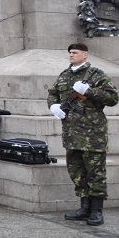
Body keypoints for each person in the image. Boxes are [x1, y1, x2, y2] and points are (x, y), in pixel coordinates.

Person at [47, 43, 118, 226]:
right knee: (77, 172)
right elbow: (52, 93)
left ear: (85, 55)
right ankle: (84, 208)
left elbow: (112, 98)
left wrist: (89, 91)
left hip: (92, 134)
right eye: (70, 52)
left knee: (95, 173)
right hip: (71, 133)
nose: (71, 55)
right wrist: (53, 106)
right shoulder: (64, 75)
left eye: (75, 52)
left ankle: (96, 211)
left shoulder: (96, 74)